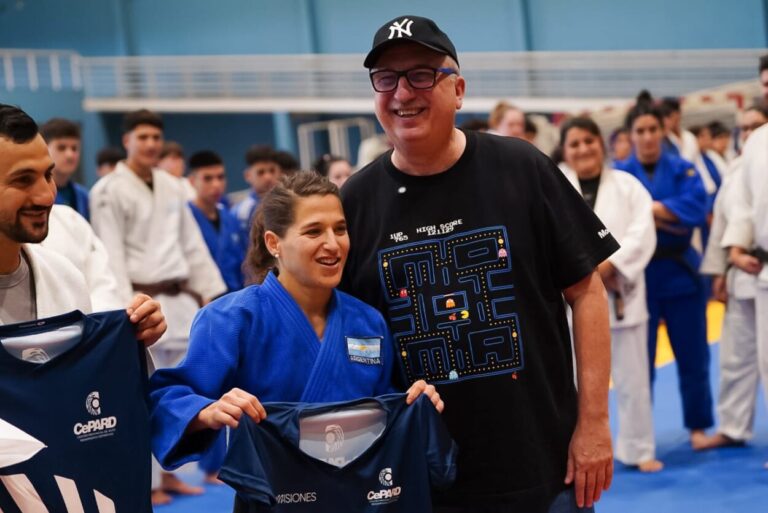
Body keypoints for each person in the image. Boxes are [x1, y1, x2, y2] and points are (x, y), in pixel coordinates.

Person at [342, 15, 617, 512]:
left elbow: (587, 290)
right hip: (417, 475)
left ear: (459, 89)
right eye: (386, 79)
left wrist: (594, 422)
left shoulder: (521, 167)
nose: (403, 92)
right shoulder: (355, 203)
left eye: (422, 74)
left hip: (542, 464)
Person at [149, 172, 442, 511]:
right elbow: (169, 397)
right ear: (274, 243)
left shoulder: (367, 321)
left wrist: (413, 401)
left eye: (340, 229)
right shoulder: (231, 319)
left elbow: (383, 410)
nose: (333, 244)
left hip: (360, 499)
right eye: (314, 231)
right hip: (275, 501)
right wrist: (207, 411)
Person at [89, 109, 226, 505]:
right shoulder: (108, 190)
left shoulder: (174, 186)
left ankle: (173, 475)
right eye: (142, 136)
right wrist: (116, 313)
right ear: (126, 140)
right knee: (139, 395)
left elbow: (191, 244)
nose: (150, 144)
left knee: (177, 389)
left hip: (178, 300)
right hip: (137, 303)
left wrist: (210, 291)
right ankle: (149, 484)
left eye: (155, 137)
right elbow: (108, 254)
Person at [0, 103, 165, 341]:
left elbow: (86, 368)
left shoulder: (66, 276)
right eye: (23, 180)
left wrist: (128, 334)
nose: (47, 196)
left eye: (48, 175)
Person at [559, 117, 661, 472]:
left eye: (589, 141)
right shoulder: (553, 184)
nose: (583, 149)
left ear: (601, 143)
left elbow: (641, 232)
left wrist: (607, 268)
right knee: (571, 380)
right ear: (565, 151)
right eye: (574, 144)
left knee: (633, 377)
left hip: (622, 294)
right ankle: (571, 448)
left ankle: (638, 447)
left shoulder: (628, 186)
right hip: (570, 301)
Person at [614, 91, 712, 448]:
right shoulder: (620, 175)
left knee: (694, 355)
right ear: (631, 135)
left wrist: (648, 210)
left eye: (653, 129)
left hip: (681, 273)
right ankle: (642, 436)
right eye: (640, 130)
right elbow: (618, 225)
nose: (647, 136)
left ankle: (699, 427)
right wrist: (667, 216)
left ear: (661, 131)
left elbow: (695, 211)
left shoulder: (682, 167)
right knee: (638, 364)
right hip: (639, 277)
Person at [697, 106, 768, 450]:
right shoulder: (737, 168)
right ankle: (733, 426)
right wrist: (720, 268)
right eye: (744, 128)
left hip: (761, 263)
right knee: (735, 357)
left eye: (756, 125)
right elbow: (724, 223)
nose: (749, 132)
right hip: (740, 272)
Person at [187, 150, 245, 293]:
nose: (216, 184)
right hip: (204, 300)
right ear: (192, 181)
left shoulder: (230, 218)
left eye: (220, 177)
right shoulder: (185, 218)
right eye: (208, 178)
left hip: (236, 296)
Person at [39, 118, 90, 221]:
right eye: (61, 148)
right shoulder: (37, 194)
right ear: (44, 148)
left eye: (74, 148)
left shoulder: (83, 196)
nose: (70, 155)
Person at [230, 144, 281, 244]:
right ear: (248, 175)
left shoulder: (287, 203)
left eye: (272, 170)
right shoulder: (241, 212)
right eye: (261, 172)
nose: (268, 177)